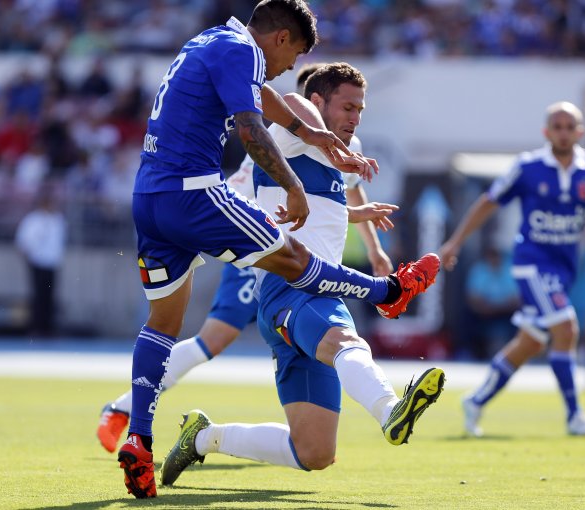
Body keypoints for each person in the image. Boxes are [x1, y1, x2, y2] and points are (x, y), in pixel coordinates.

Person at [119, 2, 440, 498]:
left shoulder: (209, 42)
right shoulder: (241, 49)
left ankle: (140, 436)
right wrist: (292, 185)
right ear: (281, 38)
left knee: (162, 325)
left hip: (150, 196)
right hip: (195, 191)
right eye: (293, 57)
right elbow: (250, 129)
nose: (289, 69)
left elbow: (261, 97)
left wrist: (310, 135)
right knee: (291, 262)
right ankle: (386, 292)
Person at [95, 62, 394, 454]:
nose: (352, 118)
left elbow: (342, 196)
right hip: (252, 243)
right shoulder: (291, 133)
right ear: (314, 103)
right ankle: (124, 407)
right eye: (345, 108)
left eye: (357, 110)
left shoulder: (342, 147)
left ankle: (180, 427)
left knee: (219, 343)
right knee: (213, 339)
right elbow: (277, 181)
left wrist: (373, 247)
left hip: (276, 246)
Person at [439, 101, 585, 438]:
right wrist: (455, 242)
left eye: (570, 127)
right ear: (546, 131)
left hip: (563, 268)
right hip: (532, 263)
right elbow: (489, 201)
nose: (563, 132)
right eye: (557, 126)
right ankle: (574, 416)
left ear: (580, 132)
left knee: (531, 343)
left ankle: (476, 401)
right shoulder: (527, 166)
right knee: (566, 328)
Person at [14, 190, 66, 337]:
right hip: (37, 262)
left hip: (52, 262)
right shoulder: (33, 219)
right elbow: (24, 240)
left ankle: (48, 328)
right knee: (38, 296)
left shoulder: (58, 219)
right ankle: (36, 327)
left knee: (50, 296)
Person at [462, 246, 520, 360]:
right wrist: (487, 307)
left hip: (507, 311)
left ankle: (517, 351)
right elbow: (473, 297)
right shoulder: (479, 270)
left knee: (521, 317)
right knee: (467, 316)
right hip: (485, 311)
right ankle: (473, 352)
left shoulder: (509, 269)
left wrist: (498, 307)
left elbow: (517, 298)